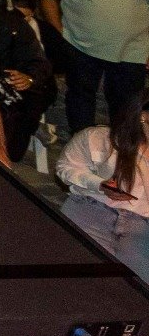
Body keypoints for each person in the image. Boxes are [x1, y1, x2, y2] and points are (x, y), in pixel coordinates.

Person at [33, 0, 149, 133]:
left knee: (126, 104)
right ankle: (81, 143)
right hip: (79, 43)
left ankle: (121, 150)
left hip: (132, 49)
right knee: (80, 96)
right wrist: (59, 31)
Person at [57, 98, 149, 278]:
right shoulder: (101, 138)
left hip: (140, 229)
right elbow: (65, 167)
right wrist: (98, 184)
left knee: (134, 292)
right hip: (93, 211)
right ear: (143, 117)